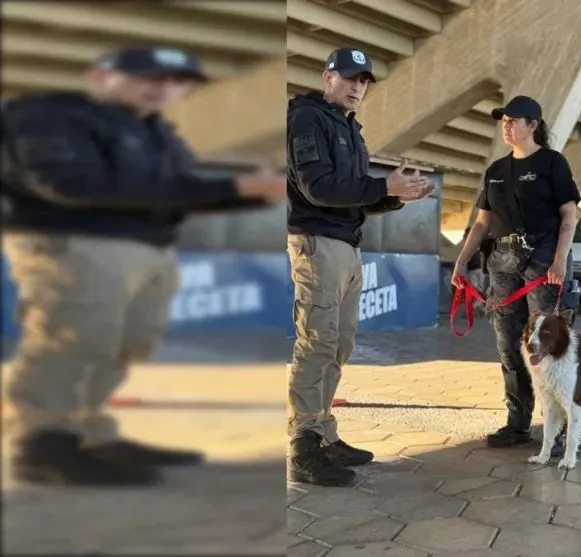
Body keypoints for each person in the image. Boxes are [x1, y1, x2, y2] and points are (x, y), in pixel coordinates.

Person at [0, 46, 287, 487]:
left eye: (176, 81)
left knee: (128, 343)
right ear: (98, 77)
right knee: (73, 339)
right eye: (147, 75)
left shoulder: (155, 131)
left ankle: (88, 433)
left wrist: (254, 192)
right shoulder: (50, 115)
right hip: (77, 242)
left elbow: (179, 190)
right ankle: (40, 443)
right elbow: (69, 183)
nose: (163, 87)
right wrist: (239, 183)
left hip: (146, 247)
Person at [286, 47, 435, 487]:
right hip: (318, 243)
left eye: (364, 81)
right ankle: (303, 445)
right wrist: (382, 184)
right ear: (326, 76)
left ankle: (324, 432)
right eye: (349, 77)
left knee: (338, 345)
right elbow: (319, 188)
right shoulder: (307, 118)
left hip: (346, 245)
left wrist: (395, 196)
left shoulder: (350, 129)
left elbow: (354, 193)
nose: (357, 87)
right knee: (317, 342)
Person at [452, 95, 581, 454]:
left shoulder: (553, 163)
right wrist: (461, 262)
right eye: (503, 120)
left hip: (544, 264)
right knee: (510, 347)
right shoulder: (495, 170)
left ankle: (557, 431)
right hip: (503, 266)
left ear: (533, 125)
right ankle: (517, 423)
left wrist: (559, 262)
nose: (506, 125)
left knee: (550, 350)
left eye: (513, 120)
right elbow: (481, 224)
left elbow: (570, 216)